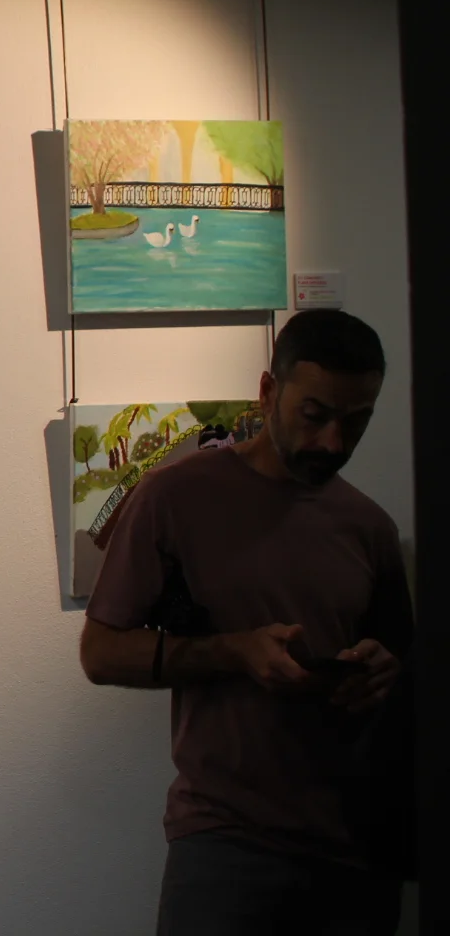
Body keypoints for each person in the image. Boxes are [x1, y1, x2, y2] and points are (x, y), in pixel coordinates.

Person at [79, 309, 413, 936]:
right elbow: (99, 653)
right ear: (267, 392)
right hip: (225, 844)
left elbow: (401, 672)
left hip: (356, 852)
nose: (333, 443)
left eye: (356, 421)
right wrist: (235, 652)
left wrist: (380, 672)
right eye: (314, 415)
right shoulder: (173, 498)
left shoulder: (370, 529)